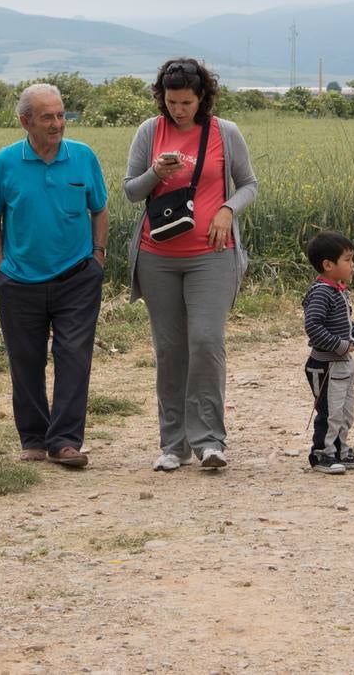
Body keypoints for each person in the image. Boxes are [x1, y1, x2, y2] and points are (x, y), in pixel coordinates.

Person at [124, 58, 258, 472]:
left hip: (211, 257)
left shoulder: (225, 132)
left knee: (205, 342)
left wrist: (227, 210)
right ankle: (174, 444)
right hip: (157, 257)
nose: (178, 109)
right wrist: (155, 172)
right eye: (171, 101)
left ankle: (211, 441)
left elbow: (249, 185)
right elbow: (131, 191)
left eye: (186, 102)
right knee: (169, 350)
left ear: (203, 97)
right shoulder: (150, 131)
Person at [0, 84, 108, 468]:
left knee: (74, 357)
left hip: (77, 277)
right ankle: (34, 438)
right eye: (48, 117)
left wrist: (98, 257)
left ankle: (66, 442)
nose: (57, 124)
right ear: (25, 121)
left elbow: (99, 210)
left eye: (61, 115)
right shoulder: (4, 162)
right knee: (26, 360)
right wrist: (0, 265)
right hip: (20, 280)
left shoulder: (83, 157)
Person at [302, 231, 354, 474]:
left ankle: (340, 450)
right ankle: (321, 454)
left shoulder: (339, 290)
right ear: (328, 265)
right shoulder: (320, 293)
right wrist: (340, 345)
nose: (353, 265)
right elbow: (313, 327)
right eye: (348, 260)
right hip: (325, 366)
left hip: (343, 365)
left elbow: (348, 326)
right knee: (330, 413)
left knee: (344, 412)